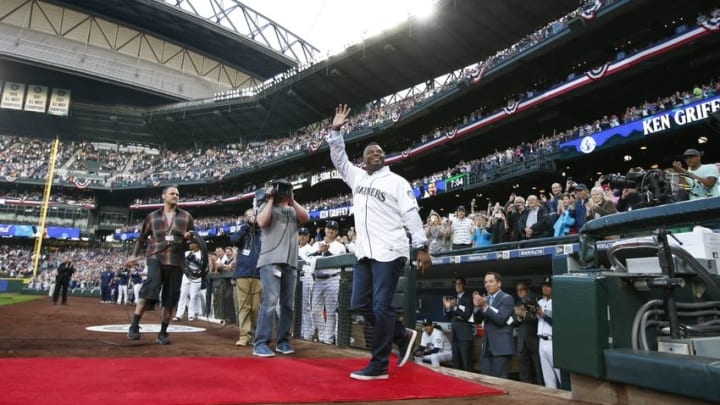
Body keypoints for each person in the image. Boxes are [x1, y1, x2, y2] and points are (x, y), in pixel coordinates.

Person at [327, 104, 432, 381]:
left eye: (380, 152)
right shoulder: (357, 177)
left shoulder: (397, 182)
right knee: (360, 303)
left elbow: (411, 214)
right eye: (371, 152)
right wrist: (336, 131)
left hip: (391, 250)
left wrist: (421, 246)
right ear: (364, 160)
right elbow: (339, 159)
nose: (377, 154)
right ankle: (402, 334)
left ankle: (379, 365)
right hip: (365, 253)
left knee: (381, 306)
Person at [125, 185, 195, 345]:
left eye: (177, 194)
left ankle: (163, 332)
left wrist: (189, 236)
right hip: (156, 256)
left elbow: (194, 238)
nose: (176, 196)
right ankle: (134, 325)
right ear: (164, 196)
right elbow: (142, 238)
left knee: (170, 298)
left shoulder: (186, 217)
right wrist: (134, 255)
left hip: (176, 260)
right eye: (172, 193)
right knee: (151, 286)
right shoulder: (152, 216)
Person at [252, 179, 310, 357]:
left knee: (288, 305)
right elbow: (261, 222)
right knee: (269, 303)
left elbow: (306, 218)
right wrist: (270, 199)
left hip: (290, 262)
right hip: (270, 261)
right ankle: (260, 343)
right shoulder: (265, 206)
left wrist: (292, 200)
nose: (283, 192)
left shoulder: (292, 210)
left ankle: (283, 341)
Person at [229, 208, 263, 347]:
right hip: (242, 273)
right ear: (245, 218)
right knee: (245, 307)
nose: (253, 218)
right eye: (251, 216)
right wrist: (246, 226)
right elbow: (233, 240)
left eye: (255, 216)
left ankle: (253, 333)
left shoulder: (263, 233)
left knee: (255, 308)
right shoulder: (242, 232)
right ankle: (244, 336)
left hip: (259, 274)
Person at [472, 272, 515, 378]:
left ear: (499, 283)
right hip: (487, 347)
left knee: (500, 381)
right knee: (485, 380)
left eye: (491, 281)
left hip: (501, 348)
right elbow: (476, 320)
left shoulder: (507, 298)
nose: (487, 284)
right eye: (486, 282)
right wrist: (477, 307)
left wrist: (485, 307)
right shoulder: (485, 299)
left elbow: (500, 319)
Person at [442, 276, 475, 371]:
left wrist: (456, 307)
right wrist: (448, 308)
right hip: (455, 335)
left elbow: (467, 315)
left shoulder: (468, 298)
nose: (457, 285)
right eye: (456, 284)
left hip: (464, 335)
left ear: (464, 285)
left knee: (466, 362)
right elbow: (449, 317)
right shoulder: (453, 298)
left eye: (460, 283)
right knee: (456, 363)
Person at [512, 282, 542, 385]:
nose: (519, 292)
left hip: (534, 340)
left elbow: (538, 319)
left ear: (527, 290)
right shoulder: (517, 304)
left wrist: (524, 314)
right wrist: (519, 316)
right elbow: (514, 321)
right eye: (517, 290)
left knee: (539, 369)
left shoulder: (536, 301)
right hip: (521, 342)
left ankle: (541, 389)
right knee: (524, 369)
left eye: (522, 289)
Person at [537, 276, 560, 389]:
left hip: (553, 342)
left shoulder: (558, 302)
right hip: (541, 341)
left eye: (548, 286)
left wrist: (543, 315)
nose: (545, 288)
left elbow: (558, 323)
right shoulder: (539, 302)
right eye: (544, 286)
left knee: (560, 374)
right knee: (548, 379)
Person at [173, 240, 204, 322]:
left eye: (192, 243)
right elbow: (182, 264)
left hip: (197, 275)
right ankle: (179, 315)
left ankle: (191, 314)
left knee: (193, 295)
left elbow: (203, 266)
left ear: (197, 245)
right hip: (187, 275)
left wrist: (195, 260)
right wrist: (187, 260)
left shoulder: (202, 253)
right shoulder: (187, 253)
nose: (190, 245)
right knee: (183, 294)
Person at [297, 227, 316, 340]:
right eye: (300, 234)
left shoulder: (312, 248)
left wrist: (299, 259)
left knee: (305, 307)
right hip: (296, 279)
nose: (302, 236)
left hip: (306, 278)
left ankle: (308, 333)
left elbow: (309, 264)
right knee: (296, 307)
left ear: (308, 236)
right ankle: (300, 330)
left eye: (305, 234)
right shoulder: (295, 248)